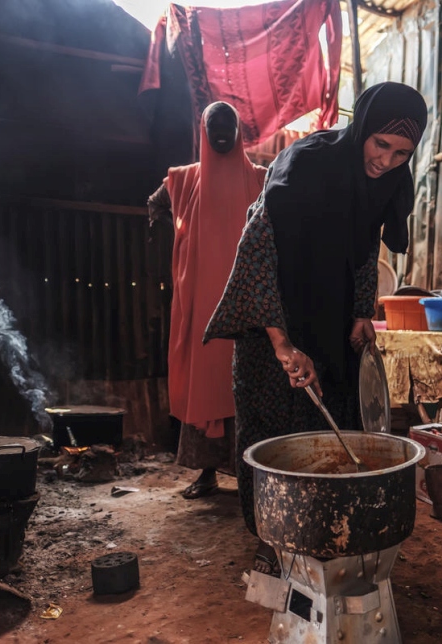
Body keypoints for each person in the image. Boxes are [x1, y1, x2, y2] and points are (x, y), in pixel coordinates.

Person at [203, 82, 428, 575]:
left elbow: (368, 249)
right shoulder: (307, 166)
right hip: (275, 319)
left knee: (332, 427)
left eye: (402, 153)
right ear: (363, 129)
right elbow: (257, 251)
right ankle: (270, 537)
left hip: (331, 324)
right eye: (381, 145)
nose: (387, 161)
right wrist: (283, 345)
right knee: (273, 433)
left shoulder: (386, 183)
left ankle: (323, 530)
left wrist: (360, 313)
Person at [148, 102, 266, 499]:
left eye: (226, 125)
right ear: (203, 130)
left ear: (238, 131)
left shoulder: (262, 180)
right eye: (213, 126)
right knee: (206, 380)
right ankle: (207, 471)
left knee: (246, 382)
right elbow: (155, 206)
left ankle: (251, 474)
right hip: (202, 300)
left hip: (245, 300)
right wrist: (182, 239)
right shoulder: (184, 181)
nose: (220, 133)